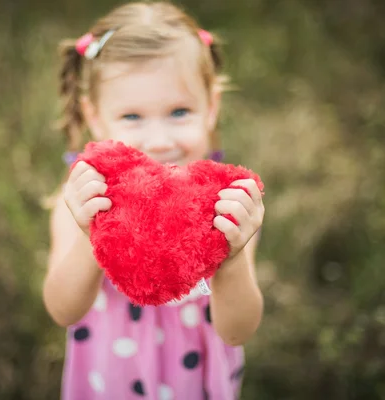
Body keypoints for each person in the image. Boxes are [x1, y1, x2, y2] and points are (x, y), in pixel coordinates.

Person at [43, 2, 265, 399]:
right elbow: (63, 310)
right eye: (132, 117)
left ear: (211, 108)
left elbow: (238, 330)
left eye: (179, 112)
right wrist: (92, 233)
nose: (159, 141)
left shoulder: (227, 203)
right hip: (112, 376)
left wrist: (231, 259)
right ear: (95, 116)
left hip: (194, 380)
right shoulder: (81, 199)